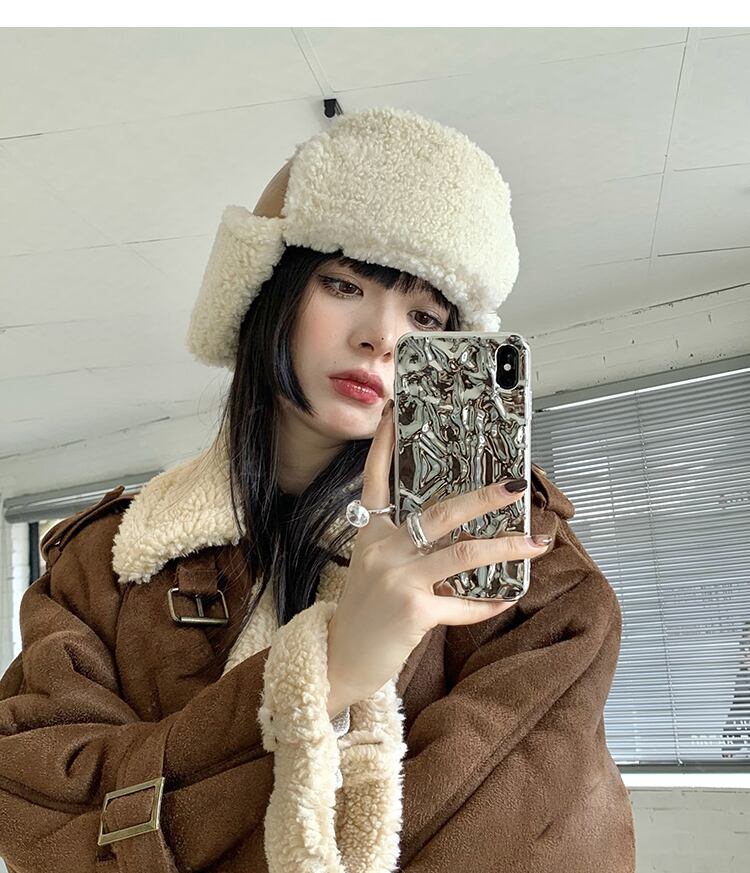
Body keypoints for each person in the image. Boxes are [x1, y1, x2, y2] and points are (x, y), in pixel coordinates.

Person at [0, 106, 636, 872]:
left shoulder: (516, 552)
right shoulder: (103, 562)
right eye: (342, 283)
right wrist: (328, 671)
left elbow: (544, 838)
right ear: (264, 290)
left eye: (424, 315)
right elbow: (40, 808)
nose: (382, 337)